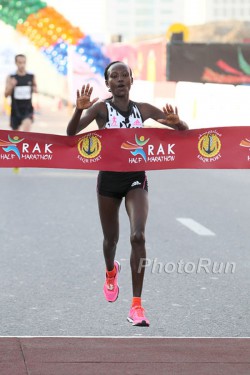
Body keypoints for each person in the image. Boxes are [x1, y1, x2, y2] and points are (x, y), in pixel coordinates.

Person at [67, 61, 188, 327]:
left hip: (136, 178)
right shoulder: (101, 109)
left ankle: (137, 306)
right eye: (114, 76)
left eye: (125, 75)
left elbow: (184, 133)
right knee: (111, 240)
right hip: (108, 181)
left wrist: (178, 123)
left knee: (138, 236)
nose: (120, 79)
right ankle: (111, 271)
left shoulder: (142, 109)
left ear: (132, 81)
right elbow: (71, 133)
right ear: (107, 83)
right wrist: (78, 111)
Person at [4, 54, 37, 132]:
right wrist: (11, 86)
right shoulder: (11, 77)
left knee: (26, 133)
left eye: (24, 62)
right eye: (20, 62)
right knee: (16, 137)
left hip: (27, 110)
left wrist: (35, 89)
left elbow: (35, 88)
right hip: (15, 110)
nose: (22, 65)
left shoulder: (31, 76)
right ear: (16, 63)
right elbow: (6, 95)